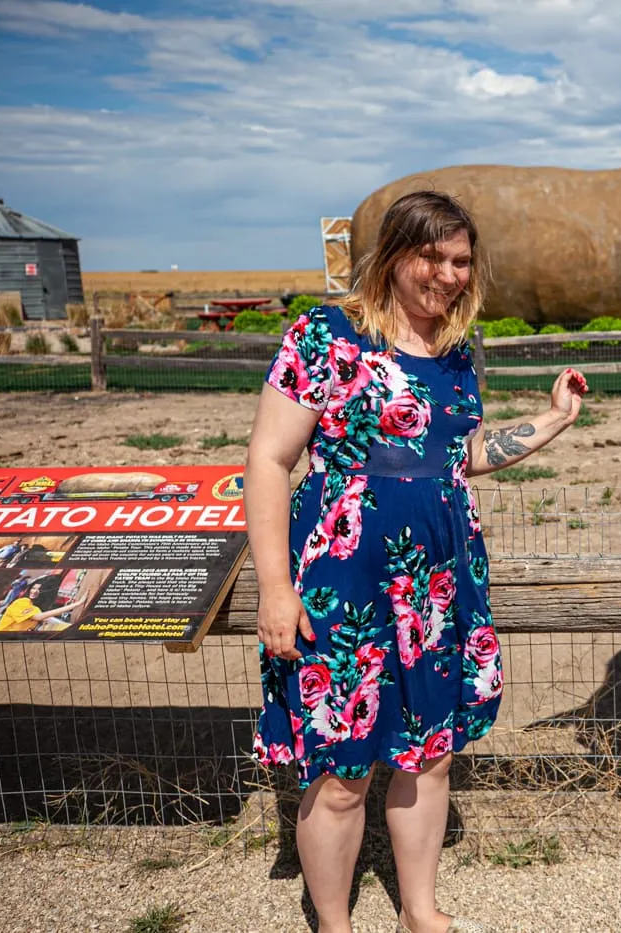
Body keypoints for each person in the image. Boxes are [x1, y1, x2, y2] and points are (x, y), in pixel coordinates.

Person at [245, 190, 587, 933]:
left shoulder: (458, 355)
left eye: (461, 260)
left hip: (436, 590)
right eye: (433, 255)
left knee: (428, 756)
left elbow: (459, 454)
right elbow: (269, 460)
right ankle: (333, 924)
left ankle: (418, 909)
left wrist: (555, 418)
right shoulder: (327, 336)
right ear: (395, 253)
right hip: (343, 588)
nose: (448, 273)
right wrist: (274, 587)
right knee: (340, 774)